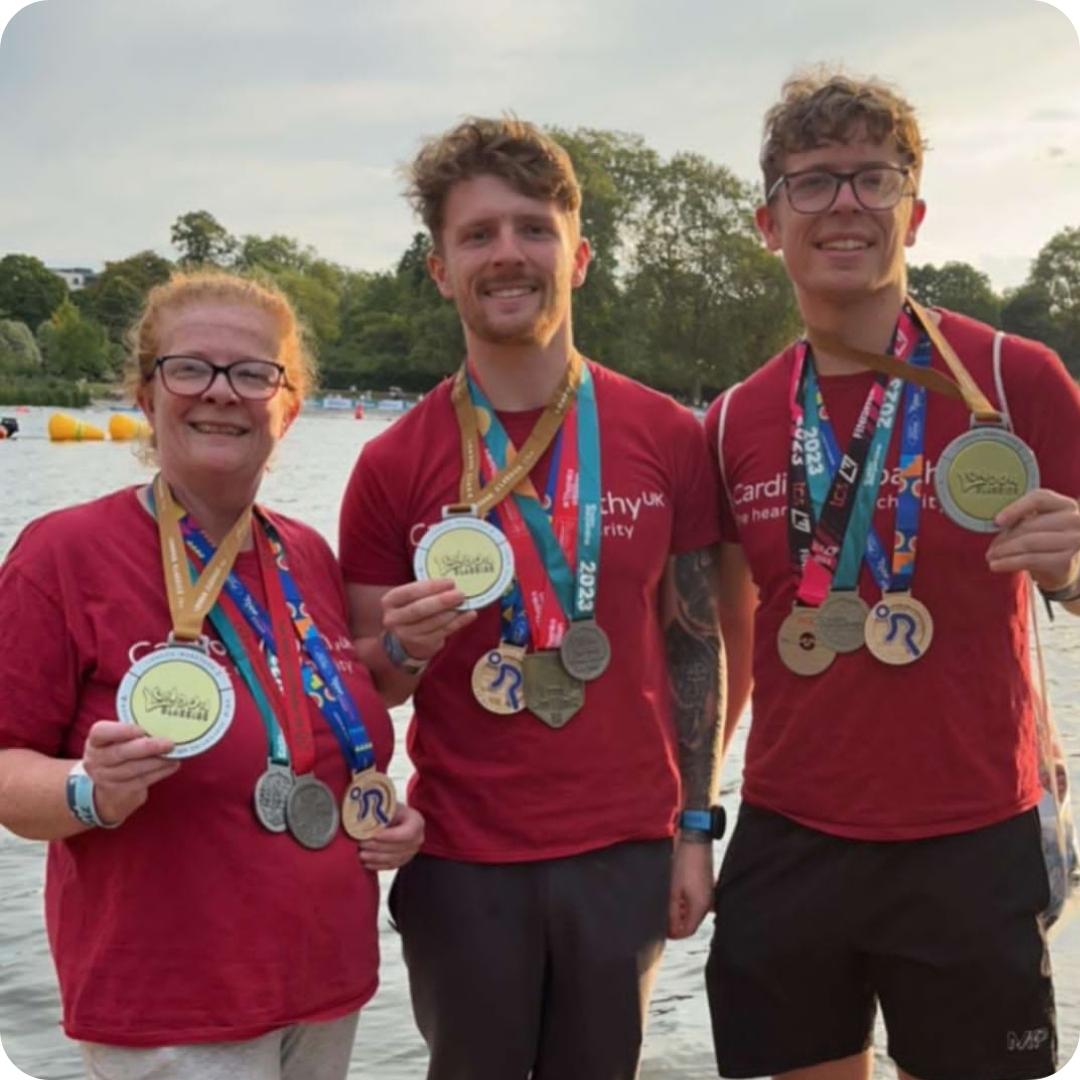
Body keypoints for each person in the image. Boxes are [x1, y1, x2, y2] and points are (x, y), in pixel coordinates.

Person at [705, 71, 1080, 1080]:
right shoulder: (736, 420)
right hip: (790, 831)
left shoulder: (1015, 379)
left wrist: (1078, 569)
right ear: (767, 220)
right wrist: (690, 823)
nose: (845, 207)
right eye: (814, 182)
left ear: (914, 208)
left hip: (973, 834)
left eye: (873, 179)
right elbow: (724, 649)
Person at [339, 117, 725, 1080]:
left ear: (579, 255)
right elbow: (365, 684)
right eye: (477, 235)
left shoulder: (668, 435)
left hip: (626, 850)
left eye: (533, 229)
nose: (507, 253)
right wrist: (410, 647)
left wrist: (695, 830)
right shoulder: (392, 464)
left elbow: (694, 645)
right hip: (462, 860)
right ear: (440, 269)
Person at [0, 271, 424, 1080]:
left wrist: (379, 817)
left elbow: (319, 723)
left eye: (254, 373)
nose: (222, 393)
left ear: (289, 407)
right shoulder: (62, 556)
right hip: (169, 1006)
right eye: (190, 367)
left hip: (324, 984)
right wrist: (88, 791)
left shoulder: (306, 555)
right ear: (146, 394)